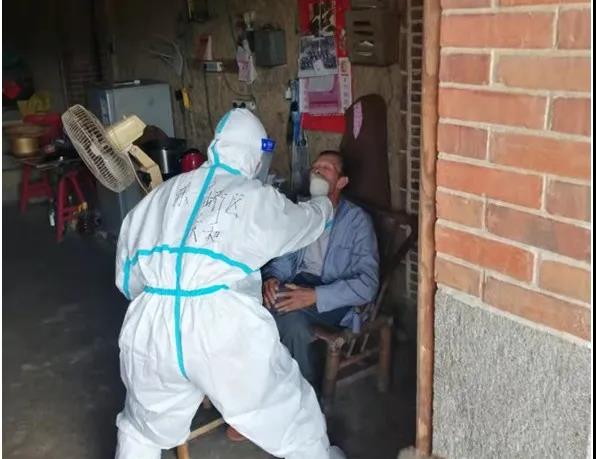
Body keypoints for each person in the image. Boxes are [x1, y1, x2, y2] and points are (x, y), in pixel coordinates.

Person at [114, 109, 346, 459]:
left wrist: (164, 298)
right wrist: (324, 206)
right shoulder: (254, 196)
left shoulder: (161, 195)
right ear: (254, 153)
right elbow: (302, 224)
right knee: (288, 416)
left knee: (141, 430)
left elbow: (126, 276)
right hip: (220, 326)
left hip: (151, 323)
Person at [262, 151, 380, 389]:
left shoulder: (357, 222)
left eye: (326, 168)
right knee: (258, 303)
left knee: (289, 321)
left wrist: (316, 296)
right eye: (315, 167)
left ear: (341, 182)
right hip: (298, 283)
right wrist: (273, 277)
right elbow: (287, 255)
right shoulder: (303, 211)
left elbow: (368, 284)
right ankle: (272, 389)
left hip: (335, 297)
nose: (317, 171)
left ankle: (303, 396)